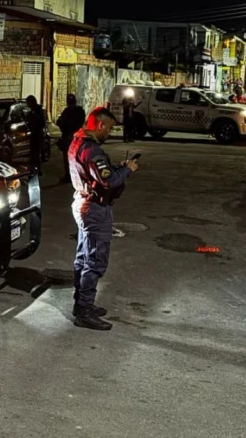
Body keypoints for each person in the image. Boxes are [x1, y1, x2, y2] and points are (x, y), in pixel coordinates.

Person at [69, 107, 138, 331]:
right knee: (94, 262)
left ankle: (81, 304)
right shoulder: (92, 150)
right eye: (109, 127)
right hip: (95, 209)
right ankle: (84, 311)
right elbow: (108, 182)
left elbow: (97, 174)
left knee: (83, 258)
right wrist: (127, 169)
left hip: (82, 202)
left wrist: (113, 168)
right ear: (100, 125)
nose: (110, 132)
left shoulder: (77, 141)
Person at [56, 94, 86, 184]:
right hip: (77, 137)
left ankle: (69, 176)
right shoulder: (79, 111)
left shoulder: (68, 111)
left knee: (69, 158)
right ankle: (77, 176)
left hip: (70, 137)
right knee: (78, 158)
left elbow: (60, 122)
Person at [24, 95, 46, 175]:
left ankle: (38, 170)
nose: (27, 104)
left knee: (36, 153)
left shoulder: (38, 111)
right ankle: (33, 169)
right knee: (33, 153)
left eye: (28, 102)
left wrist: (34, 127)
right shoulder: (32, 111)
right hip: (34, 135)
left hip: (38, 135)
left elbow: (42, 123)